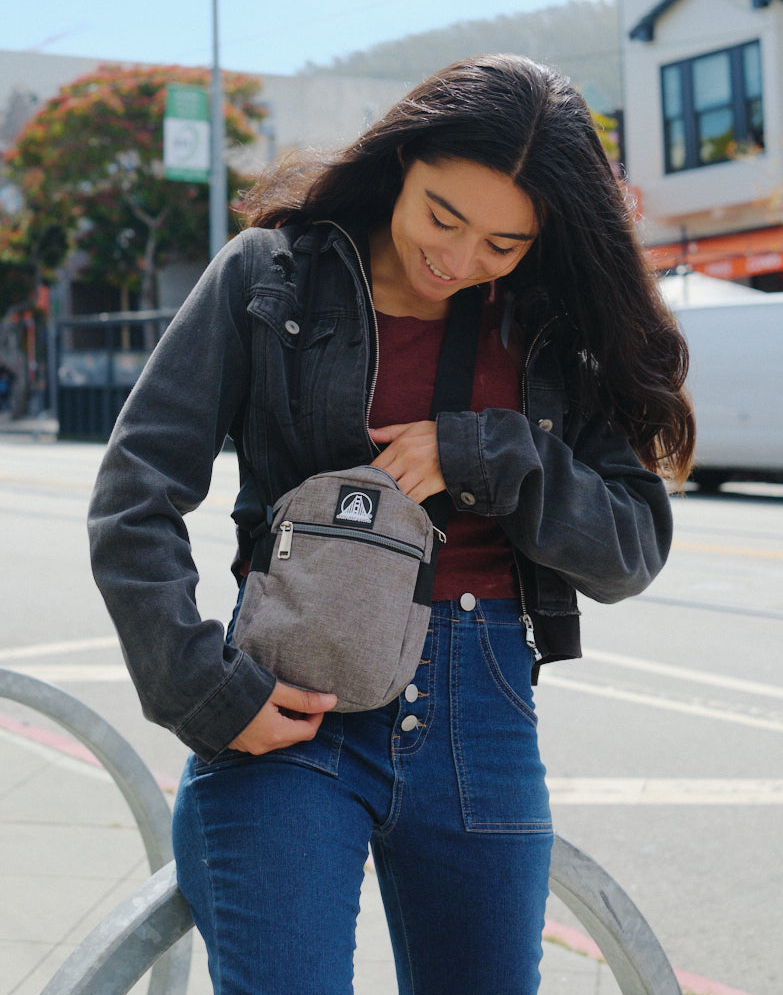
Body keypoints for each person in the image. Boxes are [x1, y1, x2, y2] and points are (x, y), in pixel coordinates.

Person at [88, 54, 695, 995]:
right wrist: (201, 688)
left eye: (504, 243)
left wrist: (492, 455)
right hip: (289, 710)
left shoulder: (552, 330)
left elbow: (629, 548)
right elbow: (135, 492)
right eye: (442, 216)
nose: (459, 259)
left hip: (482, 717)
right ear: (401, 162)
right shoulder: (269, 279)